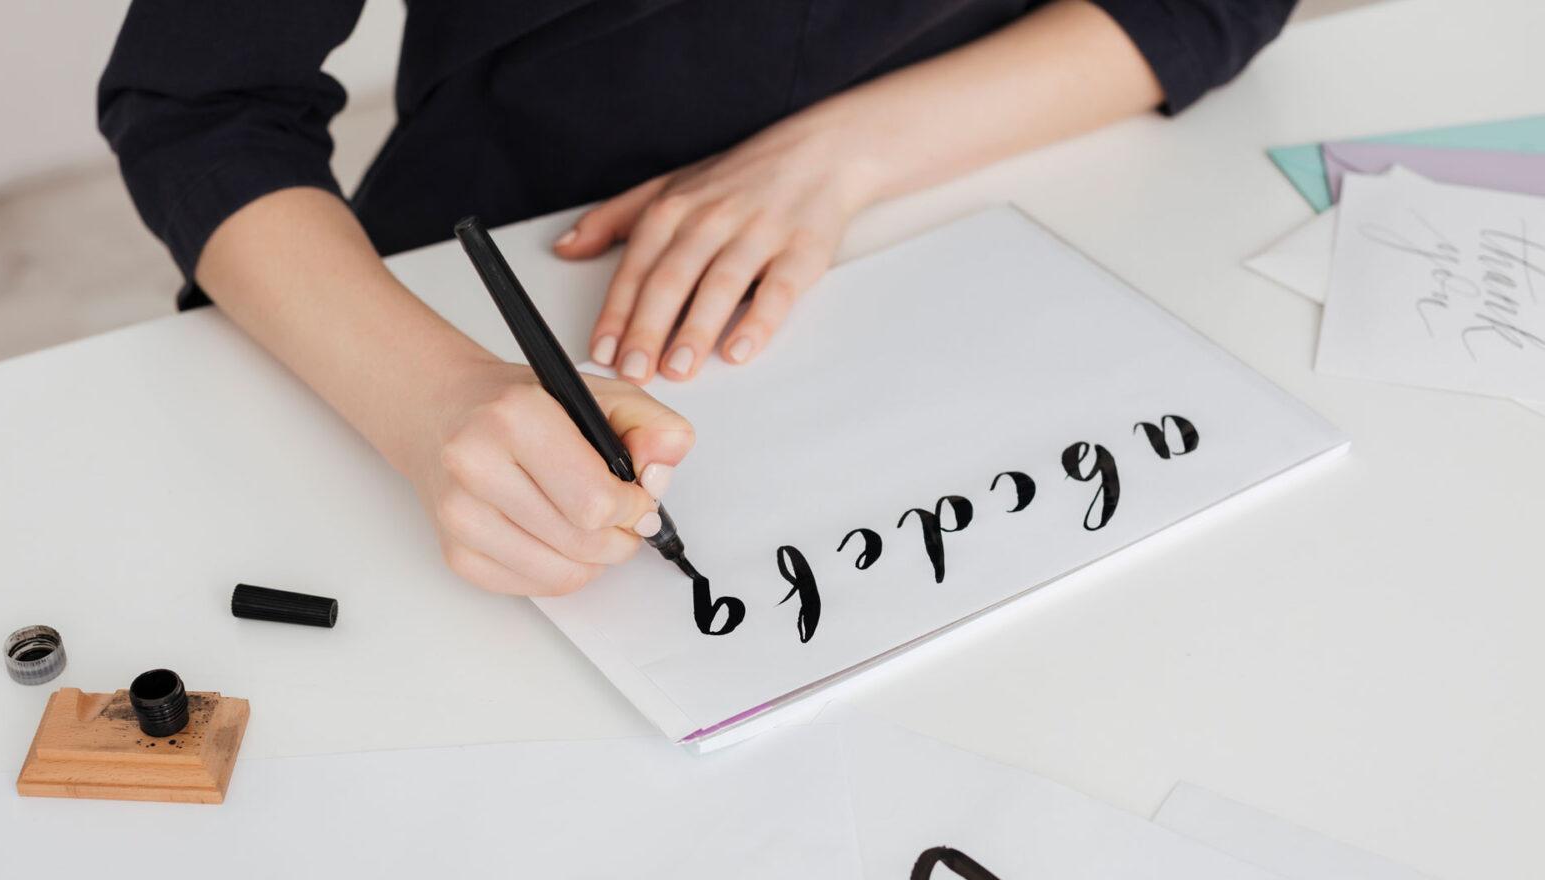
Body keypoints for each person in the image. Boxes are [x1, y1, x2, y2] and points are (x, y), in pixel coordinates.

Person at [100, 0, 1295, 597]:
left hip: (1004, 195)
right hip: (482, 277)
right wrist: (434, 402)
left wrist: (843, 156)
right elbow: (201, 110)